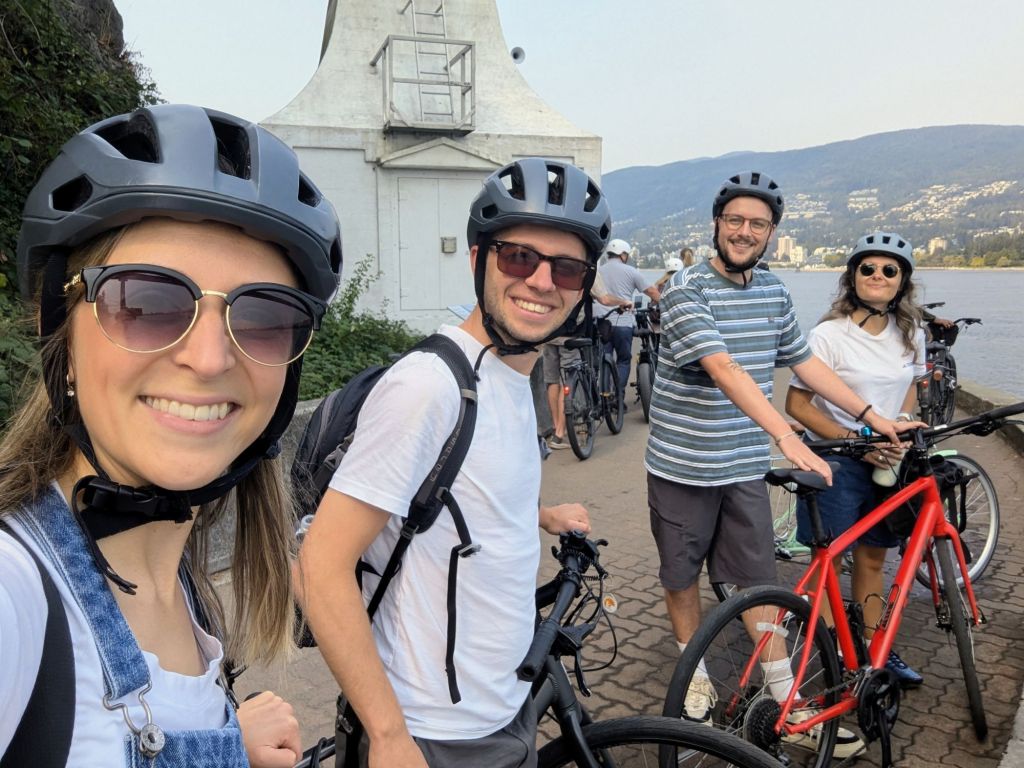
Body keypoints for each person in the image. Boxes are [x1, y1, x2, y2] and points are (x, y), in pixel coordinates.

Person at [0, 104, 342, 766]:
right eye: (147, 302)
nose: (210, 359)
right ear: (60, 335)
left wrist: (228, 747)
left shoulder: (184, 588)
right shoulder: (14, 593)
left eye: (264, 316)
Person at [298, 158, 606, 767]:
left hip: (505, 698)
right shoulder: (428, 387)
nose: (542, 281)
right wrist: (389, 736)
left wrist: (540, 513)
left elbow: (464, 483)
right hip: (434, 731)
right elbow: (318, 566)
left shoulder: (511, 375)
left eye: (567, 268)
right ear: (478, 260)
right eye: (519, 257)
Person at [646, 171, 914, 756]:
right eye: (735, 220)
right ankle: (695, 681)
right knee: (681, 575)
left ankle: (786, 696)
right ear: (716, 224)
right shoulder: (687, 289)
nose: (744, 232)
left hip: (743, 464)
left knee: (757, 581)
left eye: (758, 224)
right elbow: (724, 368)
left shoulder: (772, 290)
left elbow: (805, 363)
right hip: (683, 464)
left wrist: (872, 415)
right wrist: (787, 436)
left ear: (771, 233)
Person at [785, 231, 927, 687]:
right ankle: (834, 655)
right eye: (868, 268)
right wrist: (858, 440)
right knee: (828, 564)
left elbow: (912, 385)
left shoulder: (912, 334)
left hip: (889, 463)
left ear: (902, 281)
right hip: (838, 461)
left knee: (874, 560)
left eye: (889, 269)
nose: (878, 276)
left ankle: (875, 648)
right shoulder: (829, 335)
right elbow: (798, 405)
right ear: (853, 277)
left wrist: (899, 424)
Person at [543, 272, 630, 449]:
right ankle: (559, 433)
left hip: (548, 331)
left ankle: (556, 429)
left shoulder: (551, 267)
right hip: (571, 333)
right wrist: (623, 302)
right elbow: (604, 299)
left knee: (552, 381)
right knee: (567, 379)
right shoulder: (586, 268)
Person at [598, 238, 660, 405]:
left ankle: (605, 398)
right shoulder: (630, 271)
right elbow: (652, 292)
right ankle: (618, 398)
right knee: (623, 360)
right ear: (623, 255)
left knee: (604, 360)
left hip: (601, 324)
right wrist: (666, 304)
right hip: (623, 323)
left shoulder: (599, 272)